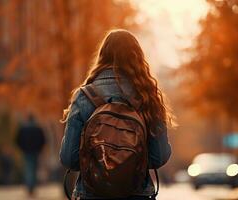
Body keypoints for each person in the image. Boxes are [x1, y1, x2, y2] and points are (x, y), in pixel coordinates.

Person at [60, 29, 174, 200]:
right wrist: (129, 163)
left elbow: (69, 158)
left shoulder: (84, 96)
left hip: (92, 194)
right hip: (136, 194)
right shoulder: (147, 96)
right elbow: (159, 156)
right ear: (137, 57)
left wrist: (100, 164)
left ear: (102, 56)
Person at [16, 115, 46, 196]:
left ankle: (29, 187)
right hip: (35, 152)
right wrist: (39, 149)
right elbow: (43, 140)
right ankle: (32, 187)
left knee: (28, 169)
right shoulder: (38, 128)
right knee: (33, 169)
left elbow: (18, 140)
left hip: (26, 152)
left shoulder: (23, 128)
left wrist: (22, 148)